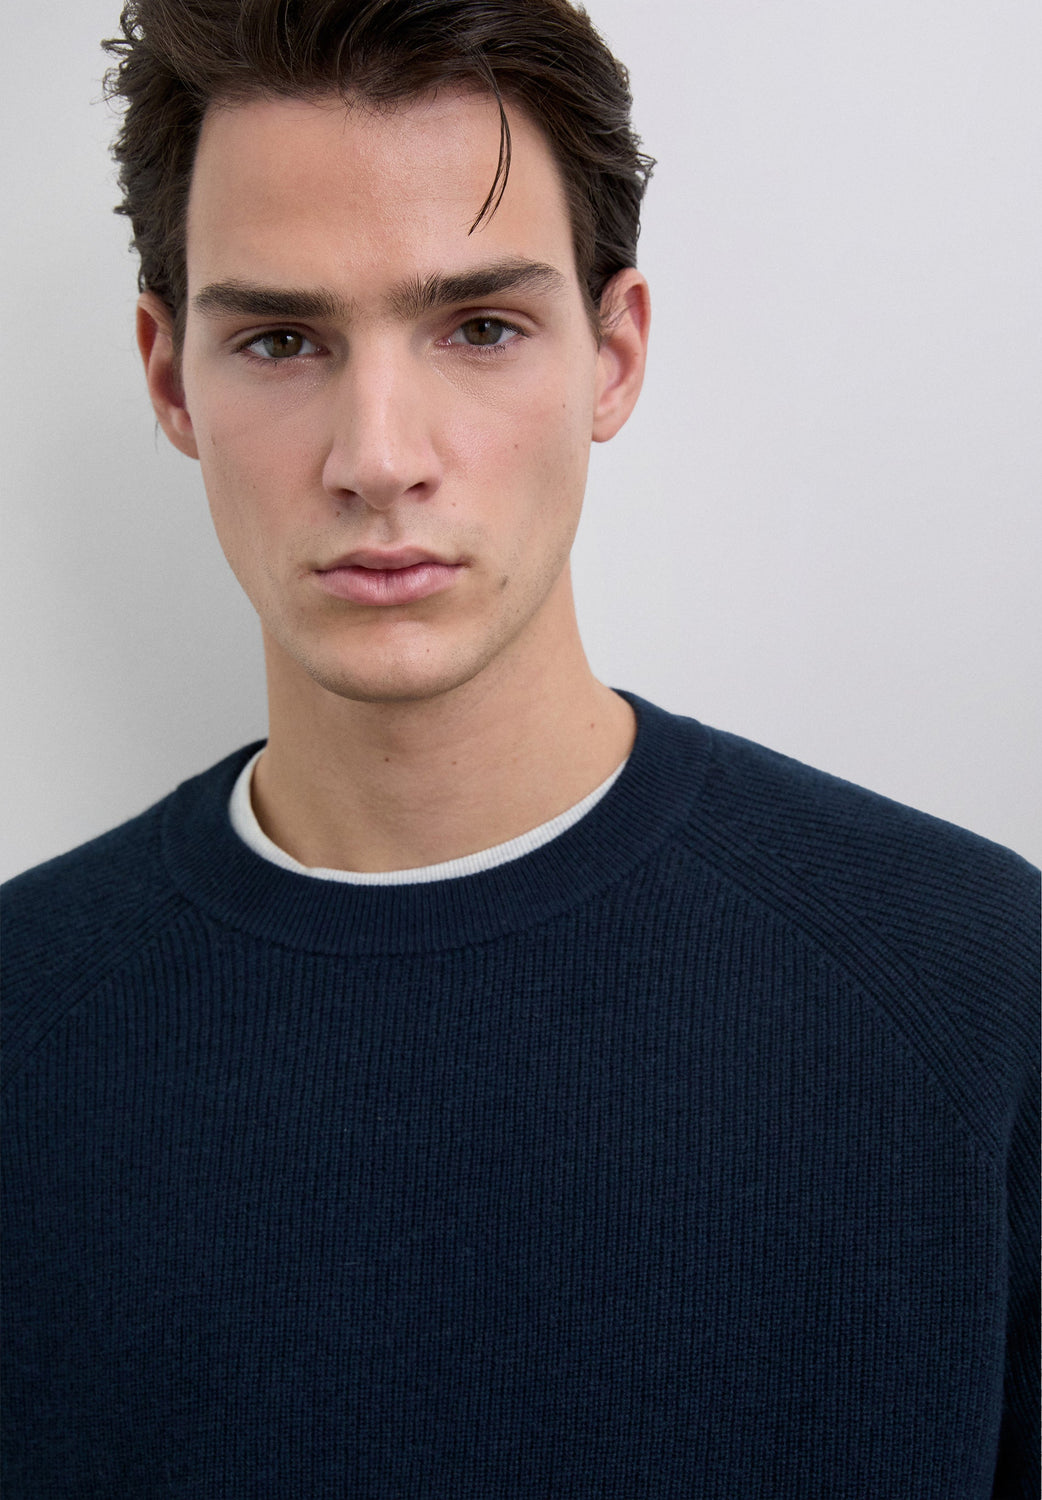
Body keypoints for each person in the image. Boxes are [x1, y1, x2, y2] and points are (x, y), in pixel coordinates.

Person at [2, 0, 1037, 1493]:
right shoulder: (24, 1026)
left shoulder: (975, 989)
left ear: (612, 355)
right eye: (281, 340)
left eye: (479, 327)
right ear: (171, 379)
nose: (378, 456)